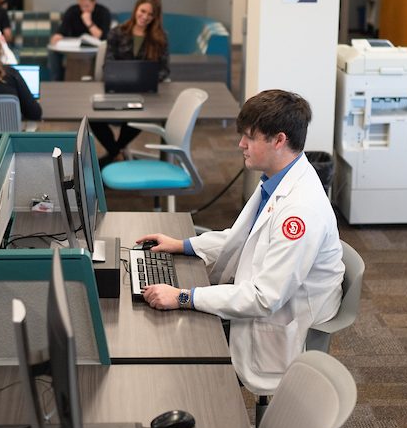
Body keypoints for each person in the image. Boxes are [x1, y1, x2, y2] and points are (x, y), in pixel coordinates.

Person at [135, 90, 344, 397]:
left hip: (278, 319)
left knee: (172, 346)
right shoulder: (278, 180)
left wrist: (183, 297)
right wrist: (184, 245)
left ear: (279, 140)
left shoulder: (301, 211)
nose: (240, 145)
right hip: (263, 296)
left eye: (250, 137)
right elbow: (243, 238)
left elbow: (264, 298)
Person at [90, 0, 170, 164]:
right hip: (117, 89)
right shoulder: (117, 33)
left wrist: (147, 79)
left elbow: (165, 70)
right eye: (142, 11)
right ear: (136, 9)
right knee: (92, 117)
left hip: (145, 94)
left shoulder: (160, 38)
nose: (145, 17)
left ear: (155, 17)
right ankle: (117, 153)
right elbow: (107, 66)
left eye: (150, 14)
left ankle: (113, 154)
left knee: (139, 116)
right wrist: (122, 78)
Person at [49, 0, 112, 81]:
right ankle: (57, 81)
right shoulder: (72, 10)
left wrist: (88, 22)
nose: (83, 9)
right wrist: (57, 36)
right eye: (81, 6)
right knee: (53, 52)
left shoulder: (104, 12)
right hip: (76, 47)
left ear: (94, 2)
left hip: (96, 48)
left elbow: (102, 37)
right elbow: (63, 30)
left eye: (87, 6)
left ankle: (99, 81)